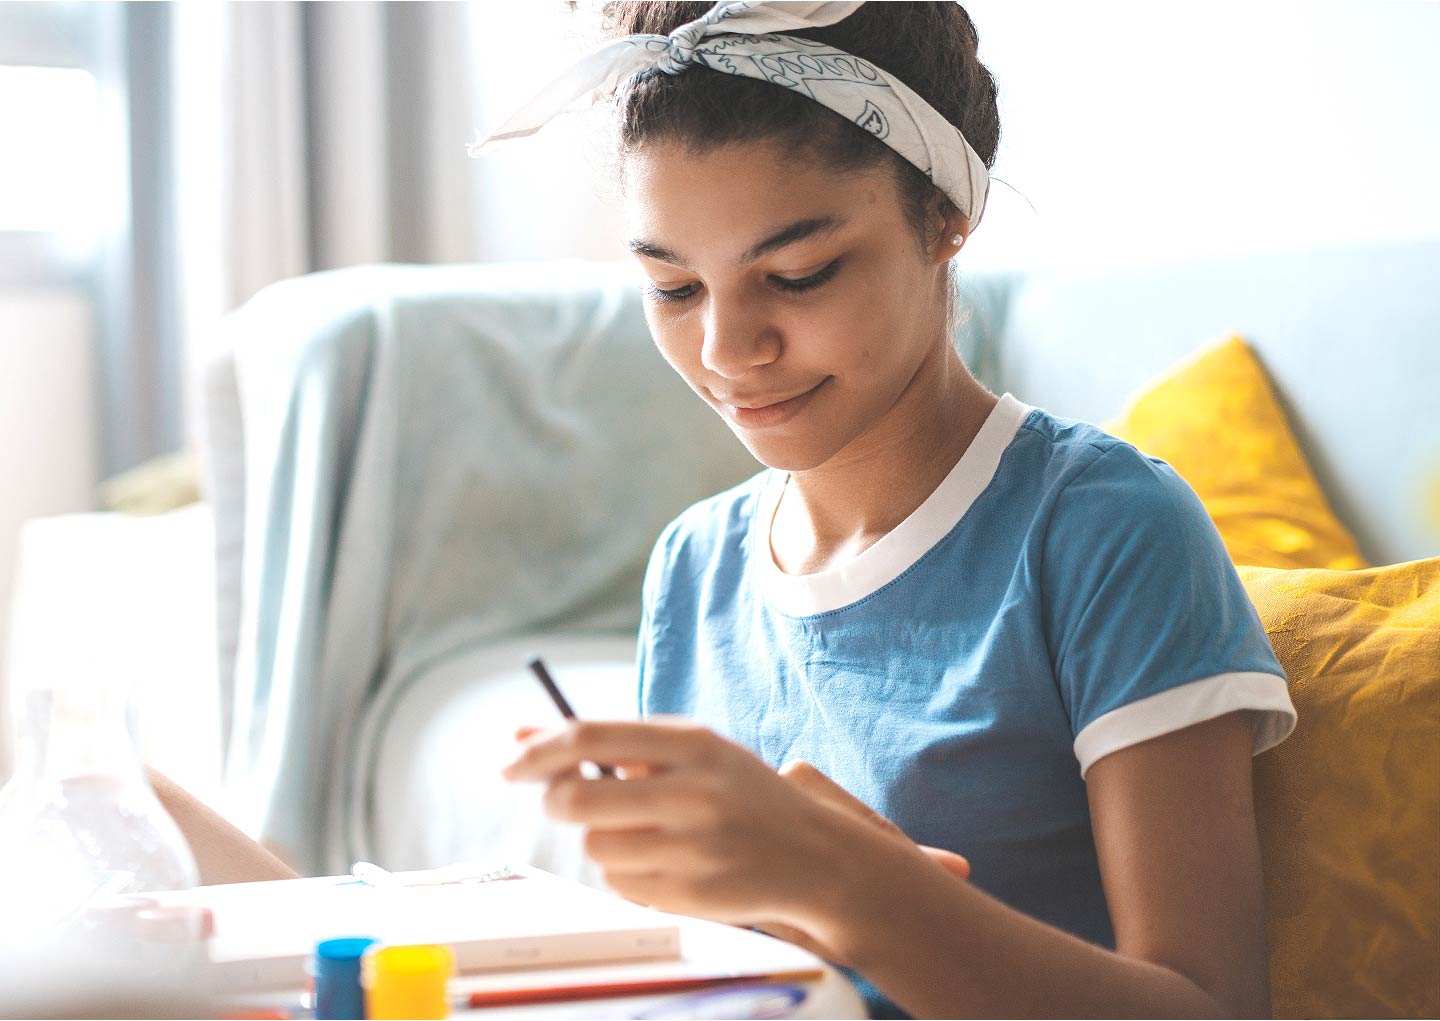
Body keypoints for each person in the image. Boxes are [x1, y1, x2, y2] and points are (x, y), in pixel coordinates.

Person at [160, 3, 1297, 1017]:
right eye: (672, 286)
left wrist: (848, 883)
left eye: (797, 275)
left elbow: (1207, 1004)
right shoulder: (697, 565)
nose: (726, 351)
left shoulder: (1103, 531)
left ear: (947, 216)